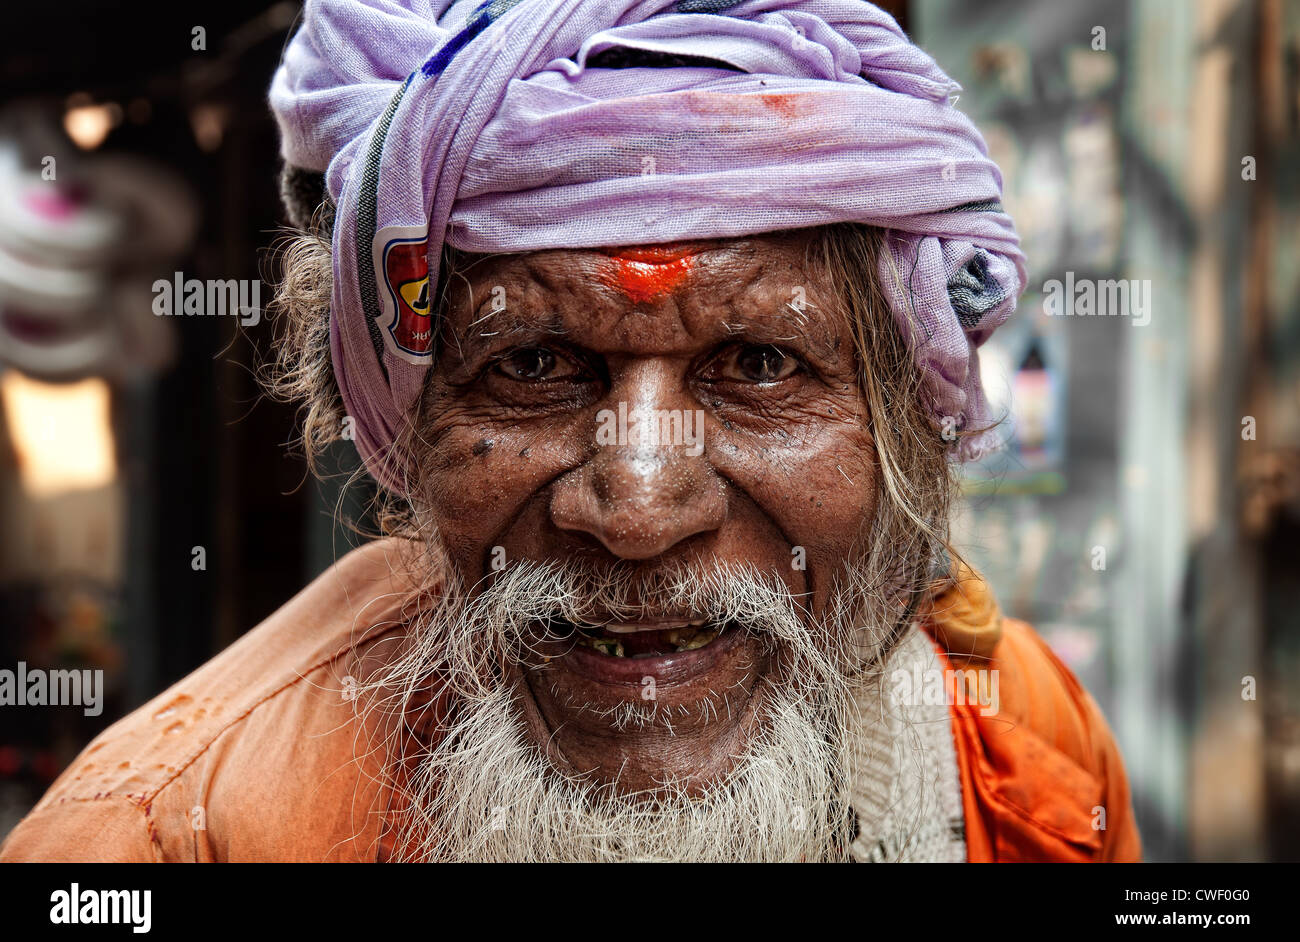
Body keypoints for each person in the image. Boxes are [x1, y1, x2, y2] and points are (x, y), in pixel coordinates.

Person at [1, 0, 1139, 862]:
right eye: (533, 366)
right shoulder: (166, 835)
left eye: (759, 364)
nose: (639, 509)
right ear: (403, 421)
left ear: (900, 418)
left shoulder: (1016, 732)